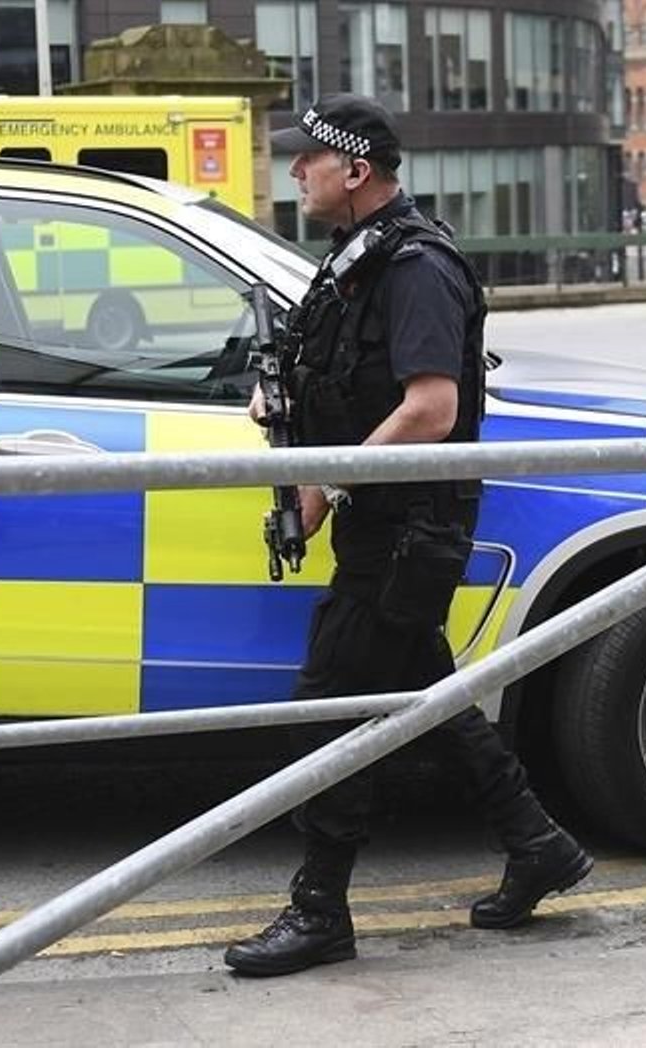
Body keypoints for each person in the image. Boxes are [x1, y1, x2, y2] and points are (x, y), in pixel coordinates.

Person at [223, 95, 593, 978]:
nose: (295, 171)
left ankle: (321, 912)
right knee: (426, 696)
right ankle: (536, 842)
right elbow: (356, 382)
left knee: (332, 714)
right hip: (384, 527)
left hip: (407, 531)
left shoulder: (416, 265)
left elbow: (433, 408)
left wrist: (327, 477)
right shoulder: (357, 260)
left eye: (307, 159)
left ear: (355, 171)